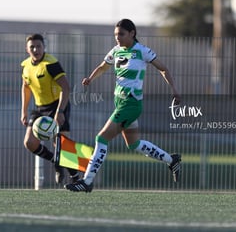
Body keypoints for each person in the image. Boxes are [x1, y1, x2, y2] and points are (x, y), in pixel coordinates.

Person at [64, 19, 181, 192]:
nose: (117, 38)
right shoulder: (116, 51)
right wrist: (90, 78)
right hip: (120, 103)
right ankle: (172, 160)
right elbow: (103, 66)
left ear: (132, 33)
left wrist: (174, 90)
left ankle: (87, 181)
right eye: (115, 35)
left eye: (121, 34)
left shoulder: (142, 51)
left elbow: (163, 69)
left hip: (130, 104)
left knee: (101, 138)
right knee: (134, 144)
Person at [20, 33, 79, 184]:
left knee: (61, 144)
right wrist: (24, 111)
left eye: (38, 46)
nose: (35, 49)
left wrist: (60, 111)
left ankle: (76, 178)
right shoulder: (26, 65)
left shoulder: (50, 64)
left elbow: (66, 87)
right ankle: (55, 161)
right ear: (27, 49)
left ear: (44, 47)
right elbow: (25, 87)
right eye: (32, 47)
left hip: (58, 105)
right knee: (30, 143)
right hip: (40, 108)